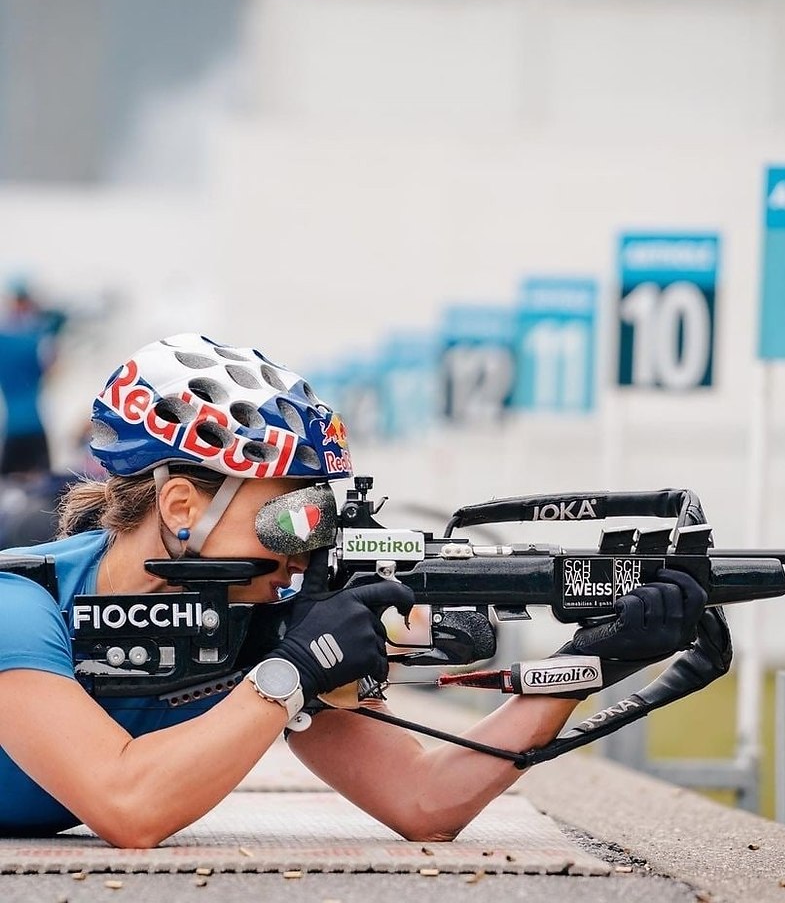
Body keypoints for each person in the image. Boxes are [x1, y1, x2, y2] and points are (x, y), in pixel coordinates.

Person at [0, 333, 731, 847]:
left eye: (320, 516)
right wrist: (287, 678)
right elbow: (127, 807)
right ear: (184, 508)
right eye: (285, 517)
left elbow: (422, 801)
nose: (307, 543)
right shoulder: (20, 606)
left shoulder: (251, 620)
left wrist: (584, 667)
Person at [0, 277, 67, 477]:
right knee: (44, 485)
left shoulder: (6, 341)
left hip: (13, 427)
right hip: (34, 425)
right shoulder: (37, 336)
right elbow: (52, 368)